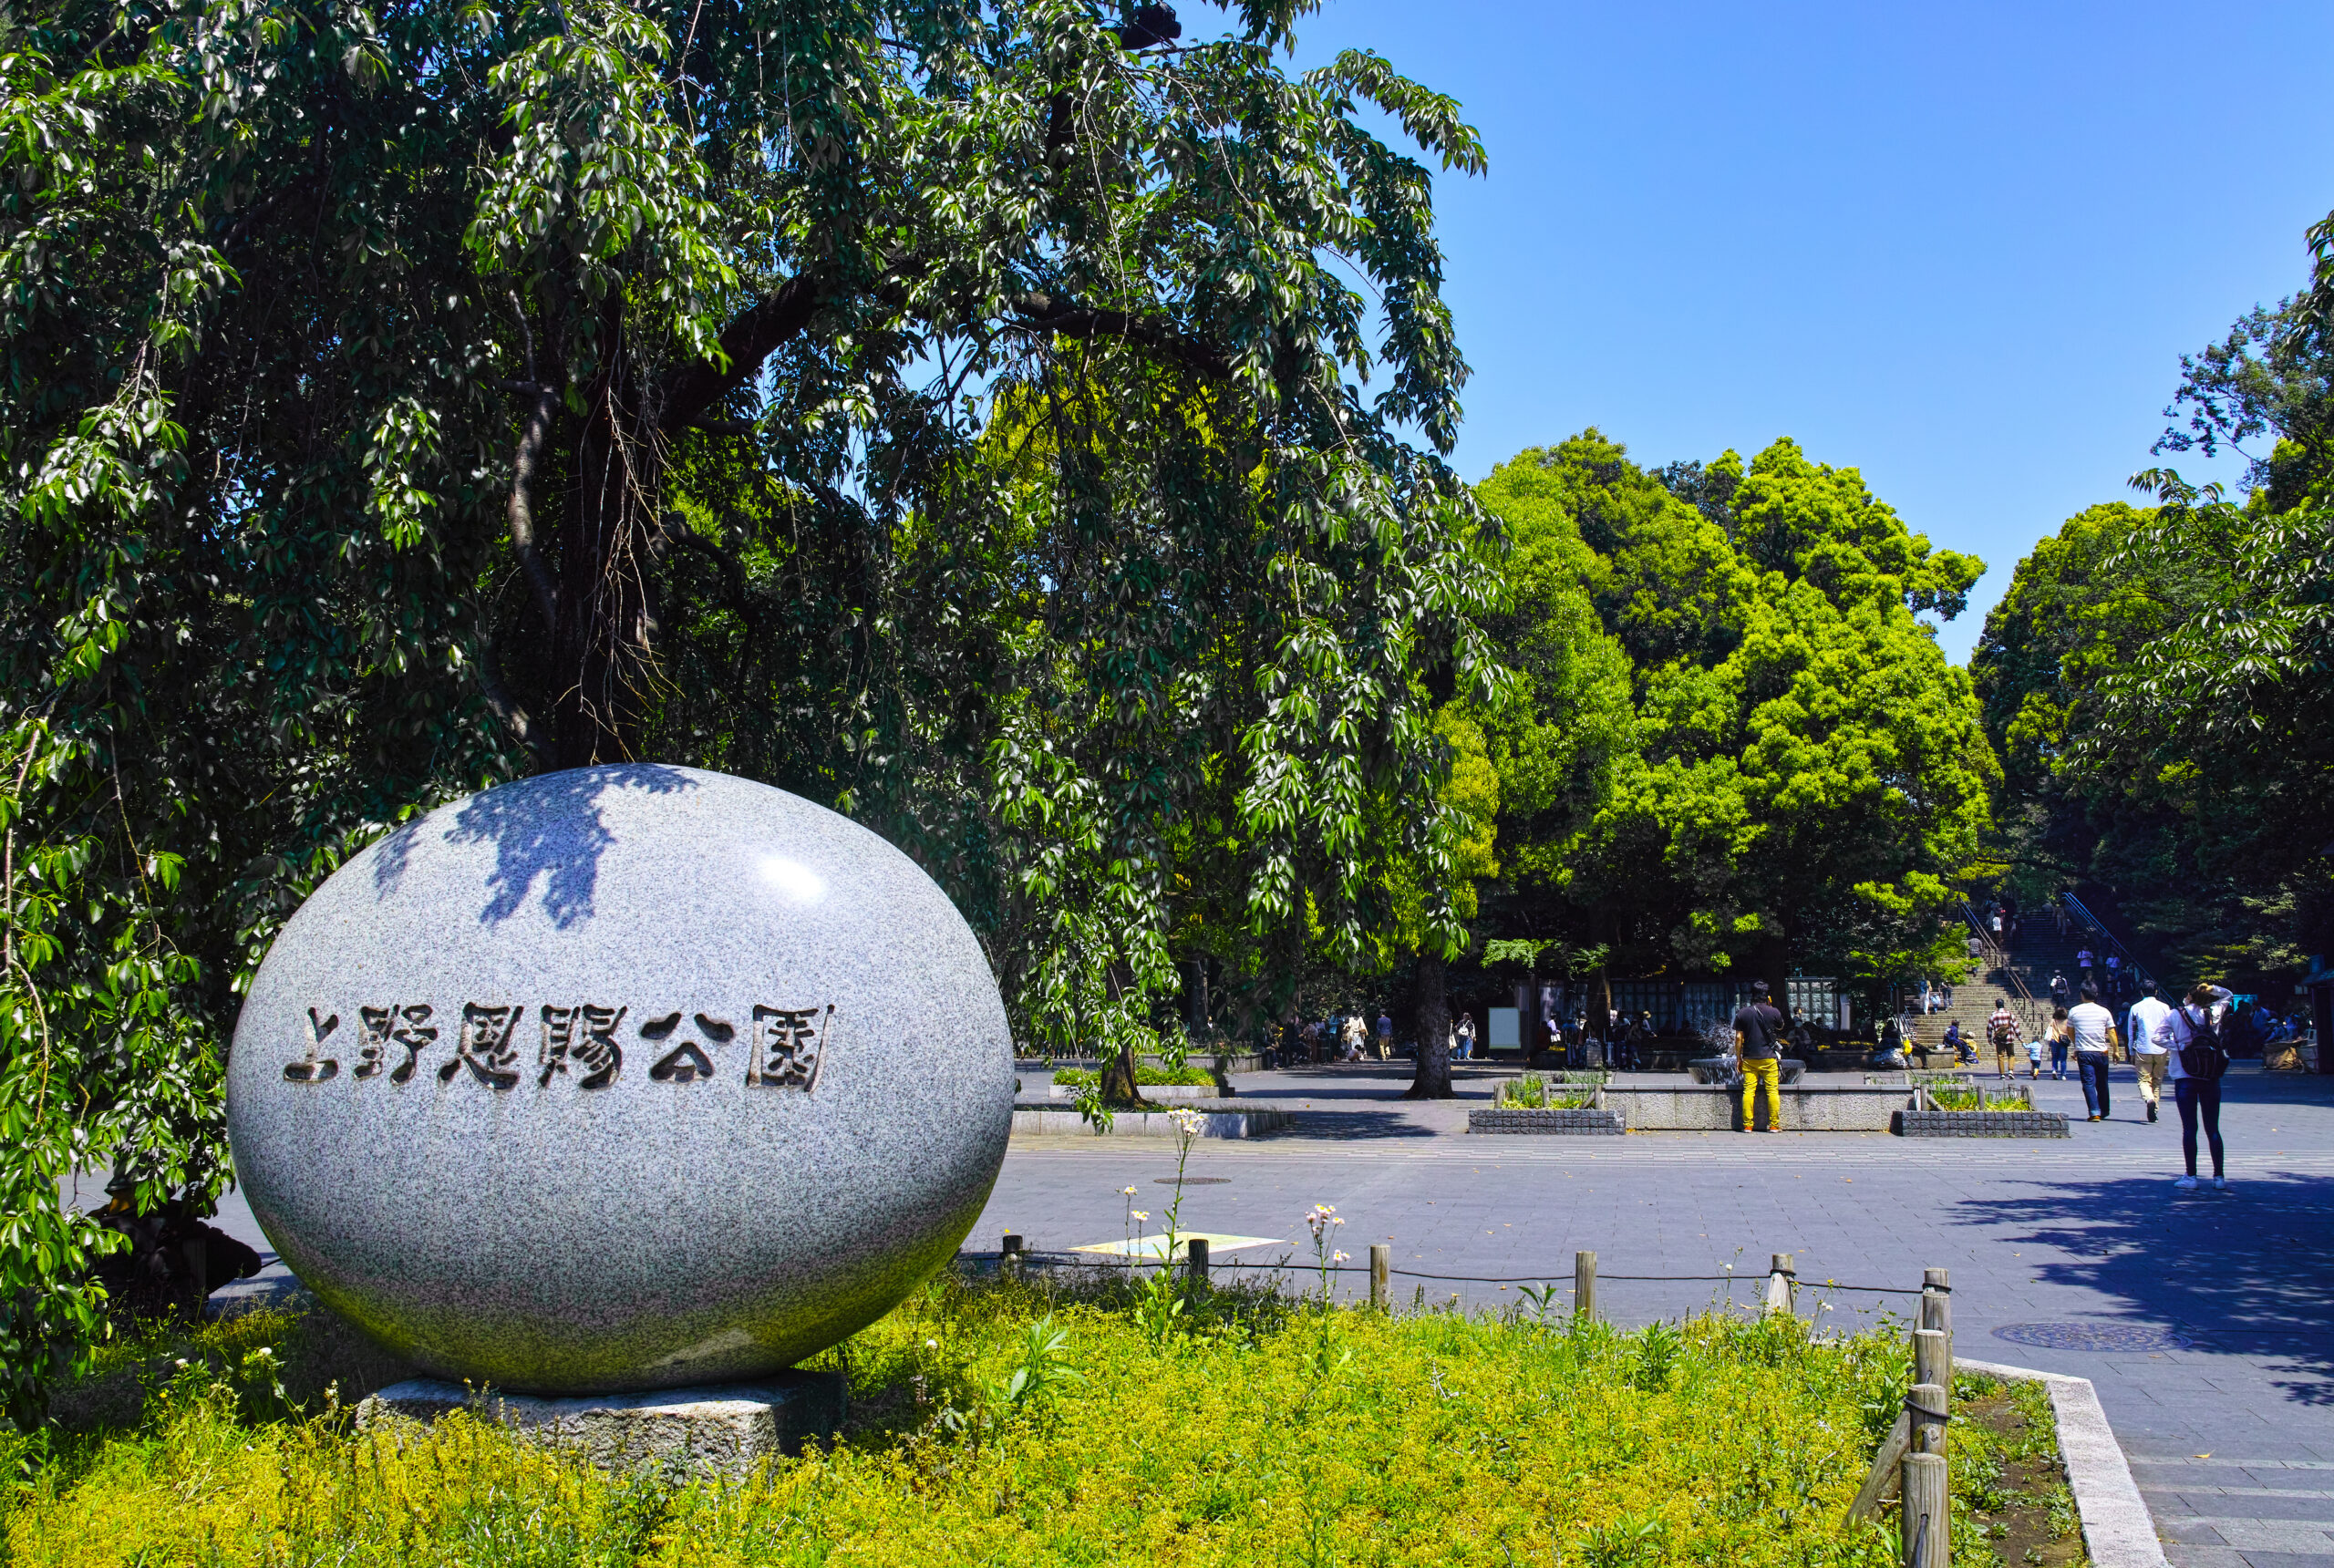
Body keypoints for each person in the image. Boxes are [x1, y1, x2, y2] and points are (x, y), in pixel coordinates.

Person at [2159, 982, 2234, 1191]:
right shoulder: (2215, 1012)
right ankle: (2218, 1177)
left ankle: (2191, 1176)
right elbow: (2228, 995)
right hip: (2210, 1075)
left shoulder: (2175, 1014)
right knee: (2213, 1128)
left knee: (2189, 1128)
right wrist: (2212, 988)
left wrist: (2180, 1046)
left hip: (2184, 1075)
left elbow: (2158, 1037)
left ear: (2188, 997)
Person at [1732, 980, 1786, 1132]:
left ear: (1752, 995)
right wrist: (1770, 1005)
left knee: (1749, 1091)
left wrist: (1738, 1058)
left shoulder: (1743, 1013)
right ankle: (1774, 1125)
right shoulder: (1774, 1011)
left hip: (1749, 1058)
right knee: (1772, 1091)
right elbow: (1781, 1026)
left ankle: (1748, 1125)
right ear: (1767, 996)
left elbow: (1738, 1038)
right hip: (1769, 1057)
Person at [2069, 982, 2117, 1120]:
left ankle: (2094, 1112)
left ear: (2082, 995)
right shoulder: (2104, 1011)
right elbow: (2112, 1032)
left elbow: (2070, 1031)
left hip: (2084, 1052)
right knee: (2102, 1082)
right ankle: (2105, 1110)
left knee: (2088, 1083)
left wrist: (2077, 1044)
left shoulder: (2074, 1011)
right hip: (2101, 1052)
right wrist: (2116, 1051)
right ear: (2096, 995)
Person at [2127, 983, 2174, 1124]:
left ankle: (2149, 1099)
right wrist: (2170, 1045)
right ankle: (2155, 1109)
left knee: (2143, 1080)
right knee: (2157, 1080)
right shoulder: (2165, 1007)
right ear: (2156, 991)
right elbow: (2170, 1027)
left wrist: (2130, 1050)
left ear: (2141, 992)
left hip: (2143, 1046)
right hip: (2161, 1047)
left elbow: (2131, 1030)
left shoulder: (2135, 1008)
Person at [1988, 998, 2019, 1078]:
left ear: (1996, 1005)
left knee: (2000, 1055)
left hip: (1999, 1039)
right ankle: (2010, 1071)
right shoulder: (2009, 1014)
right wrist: (2019, 1036)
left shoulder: (1994, 1015)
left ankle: (2002, 1074)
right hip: (2010, 1037)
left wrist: (1989, 1038)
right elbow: (2015, 1025)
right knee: (2011, 1055)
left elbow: (1989, 1027)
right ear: (2003, 1004)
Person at [2046, 1006, 2071, 1079]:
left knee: (2054, 1057)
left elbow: (2049, 1029)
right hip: (2063, 1040)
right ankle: (2063, 1074)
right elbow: (2069, 1031)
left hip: (2054, 1039)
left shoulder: (2053, 1021)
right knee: (2063, 1059)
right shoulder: (2067, 1021)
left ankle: (2054, 1070)